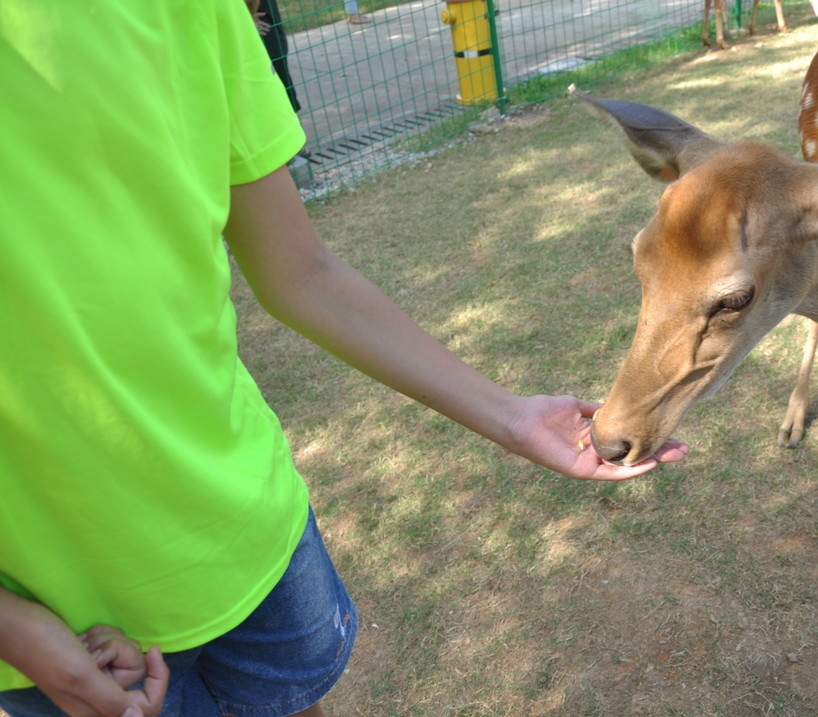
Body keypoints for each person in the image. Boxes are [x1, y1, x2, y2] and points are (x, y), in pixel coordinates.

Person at [0, 2, 687, 716]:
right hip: (63, 632)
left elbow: (300, 271)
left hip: (253, 532)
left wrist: (513, 419)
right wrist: (13, 629)